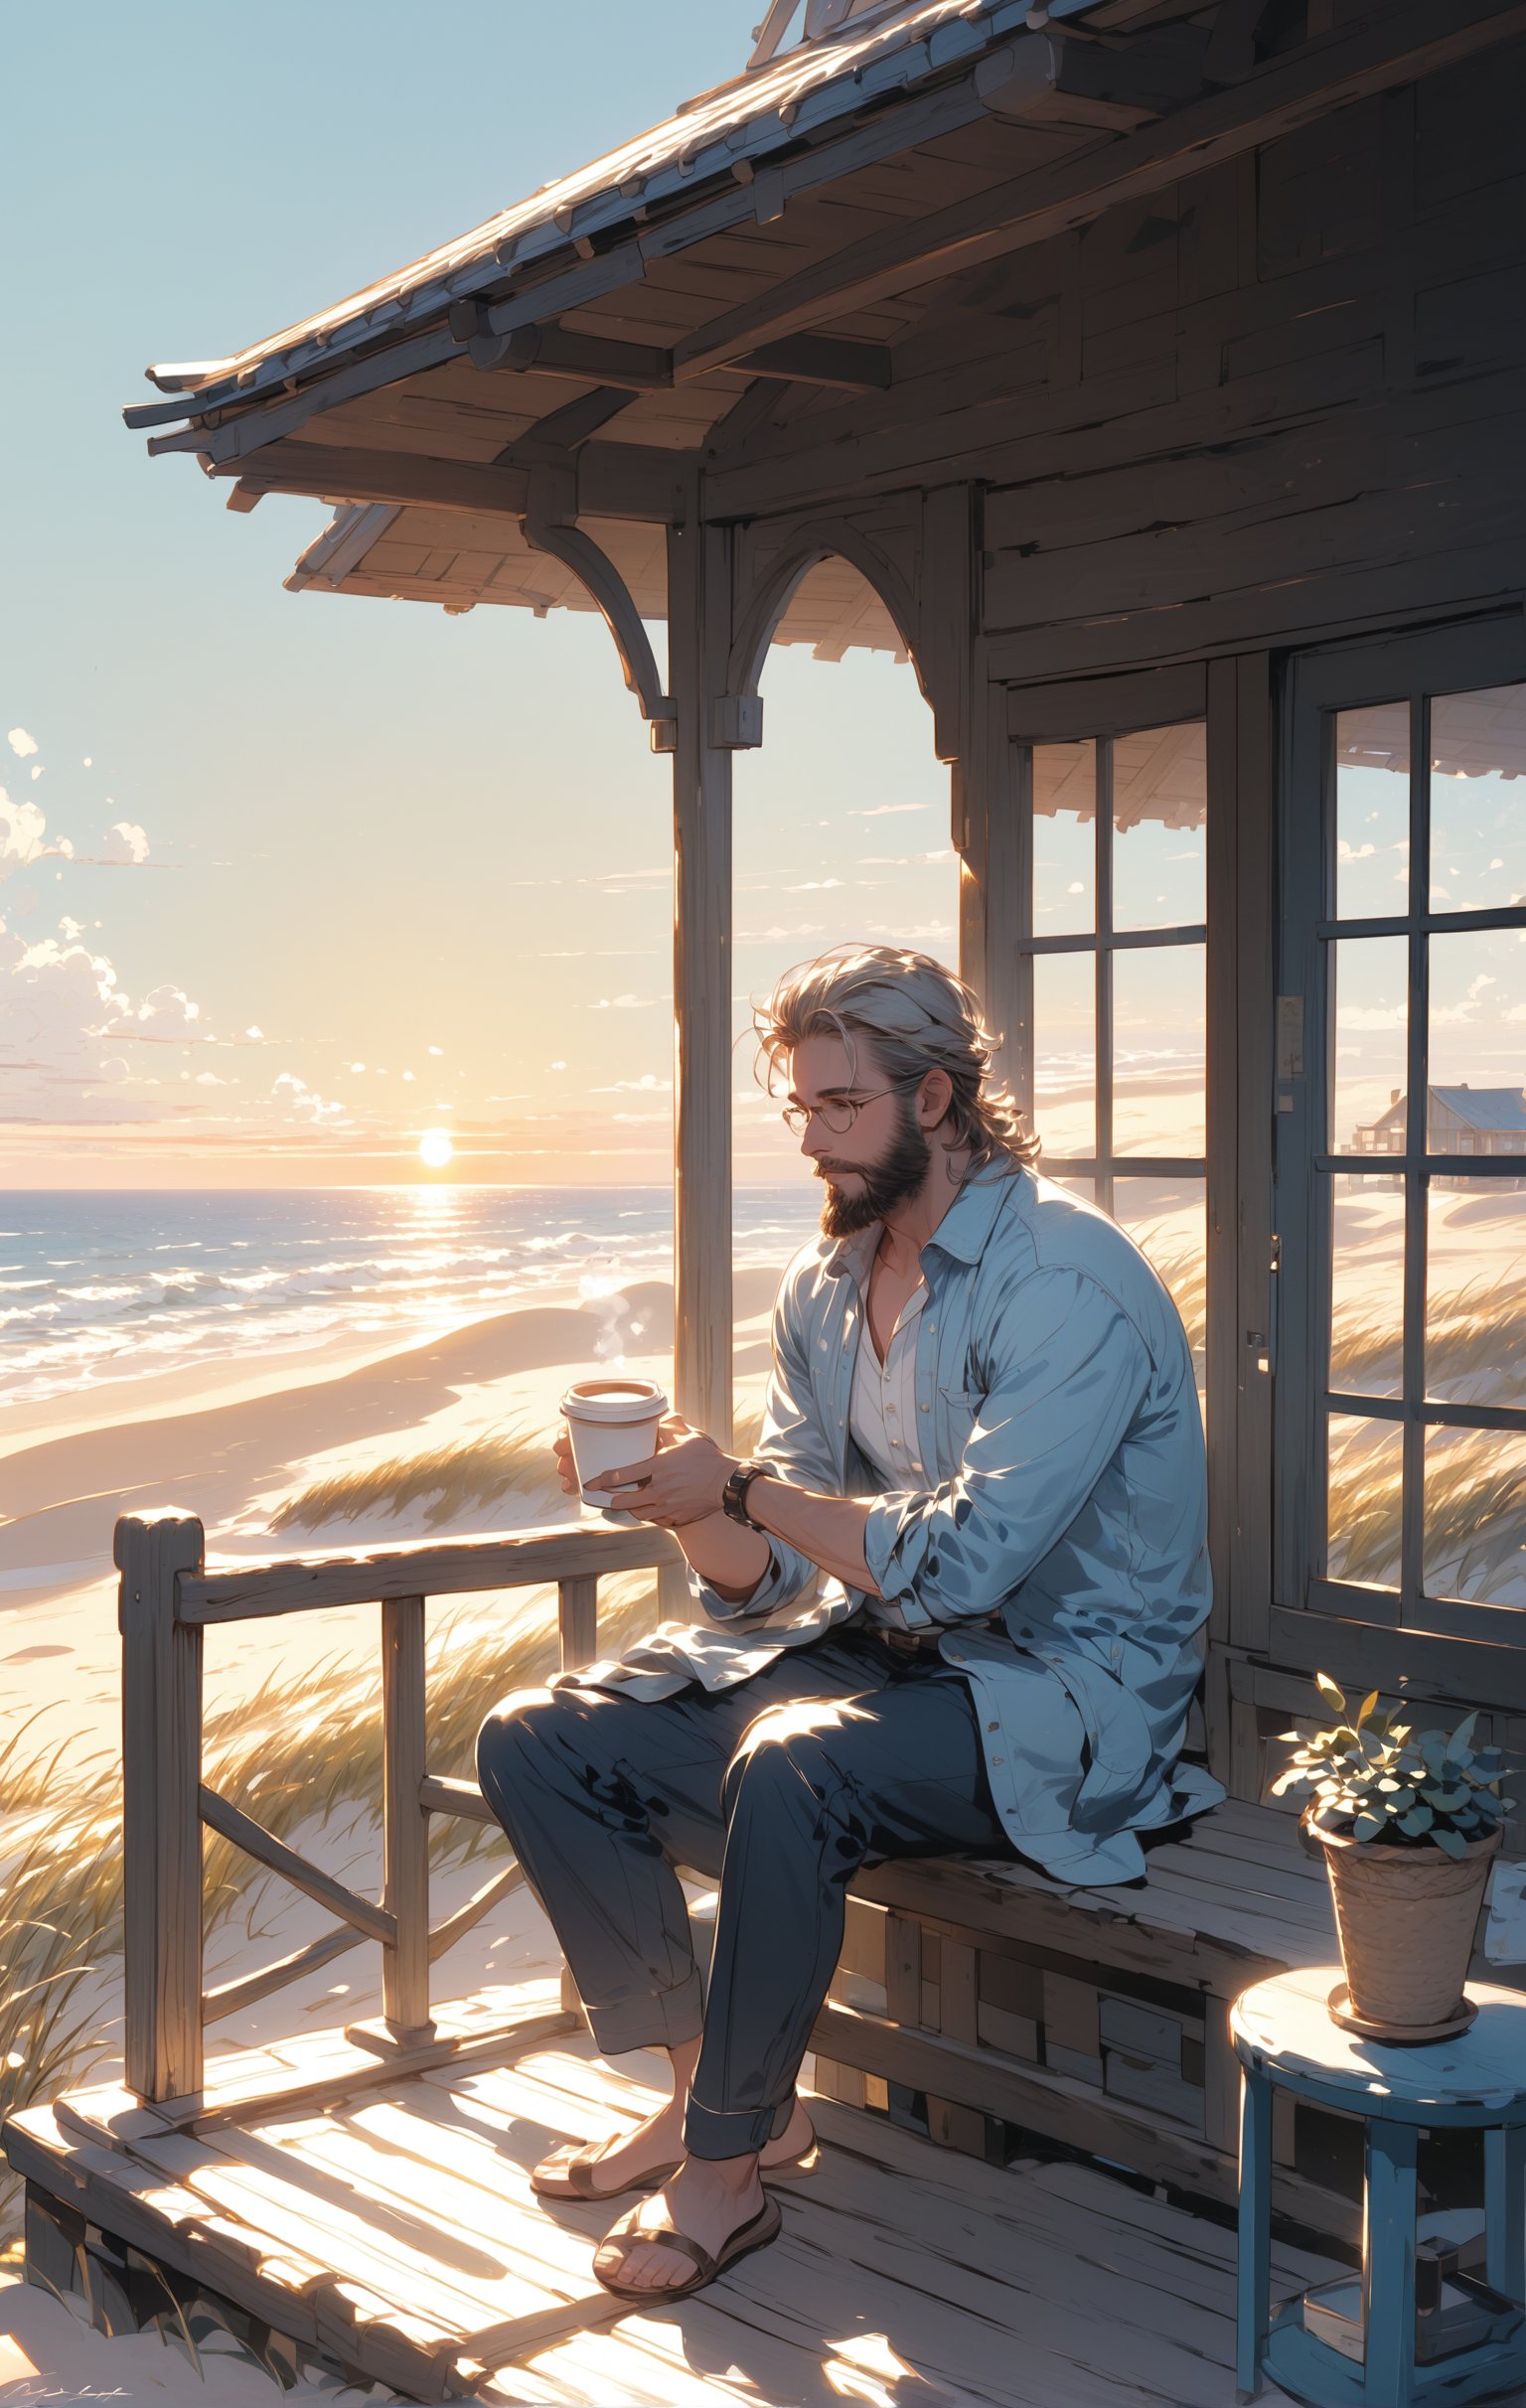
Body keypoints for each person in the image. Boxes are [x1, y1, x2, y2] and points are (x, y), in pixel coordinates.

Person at [476, 941, 1223, 2305]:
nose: (814, 1141)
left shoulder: (1064, 1282)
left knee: (794, 1764)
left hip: (1061, 1694)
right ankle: (728, 2098)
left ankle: (723, 2177)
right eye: (801, 1109)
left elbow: (969, 1569)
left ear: (934, 1101)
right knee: (541, 1735)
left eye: (841, 1107)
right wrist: (687, 1508)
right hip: (892, 1665)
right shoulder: (824, 1292)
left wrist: (753, 1488)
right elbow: (777, 1586)